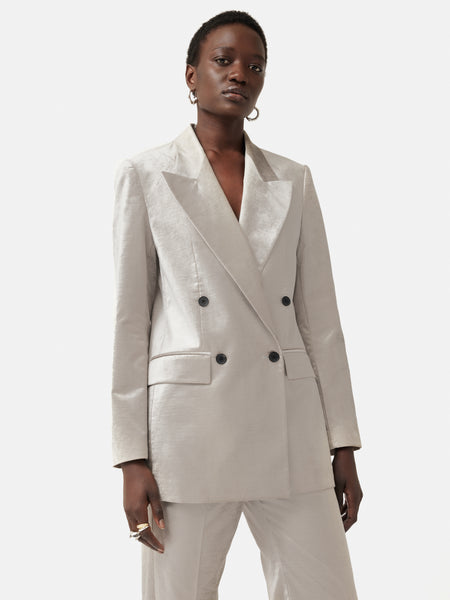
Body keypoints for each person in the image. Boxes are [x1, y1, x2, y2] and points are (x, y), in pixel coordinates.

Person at [111, 9, 363, 600]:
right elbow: (130, 321)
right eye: (223, 61)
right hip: (189, 432)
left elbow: (321, 322)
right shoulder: (147, 175)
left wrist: (344, 442)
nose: (239, 75)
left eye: (255, 66)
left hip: (290, 429)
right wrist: (131, 457)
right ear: (191, 75)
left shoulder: (293, 180)